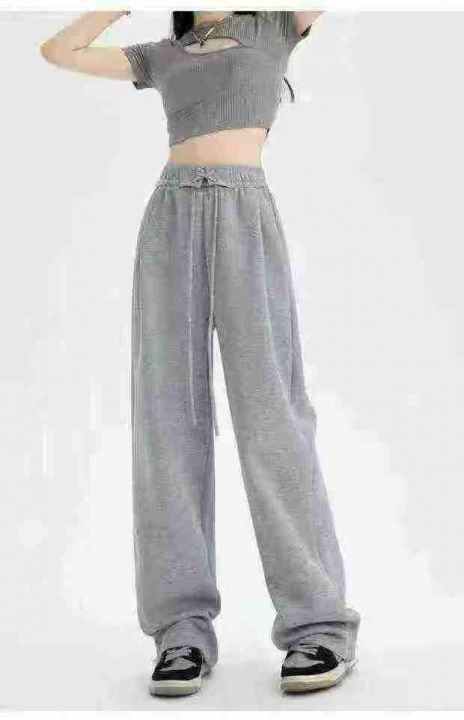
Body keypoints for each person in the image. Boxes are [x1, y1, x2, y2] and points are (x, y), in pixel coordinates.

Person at [40, 9, 361, 697]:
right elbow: (58, 50)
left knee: (273, 418)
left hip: (245, 215)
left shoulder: (275, 26)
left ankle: (319, 625)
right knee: (167, 423)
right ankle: (180, 631)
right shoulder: (162, 54)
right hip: (171, 219)